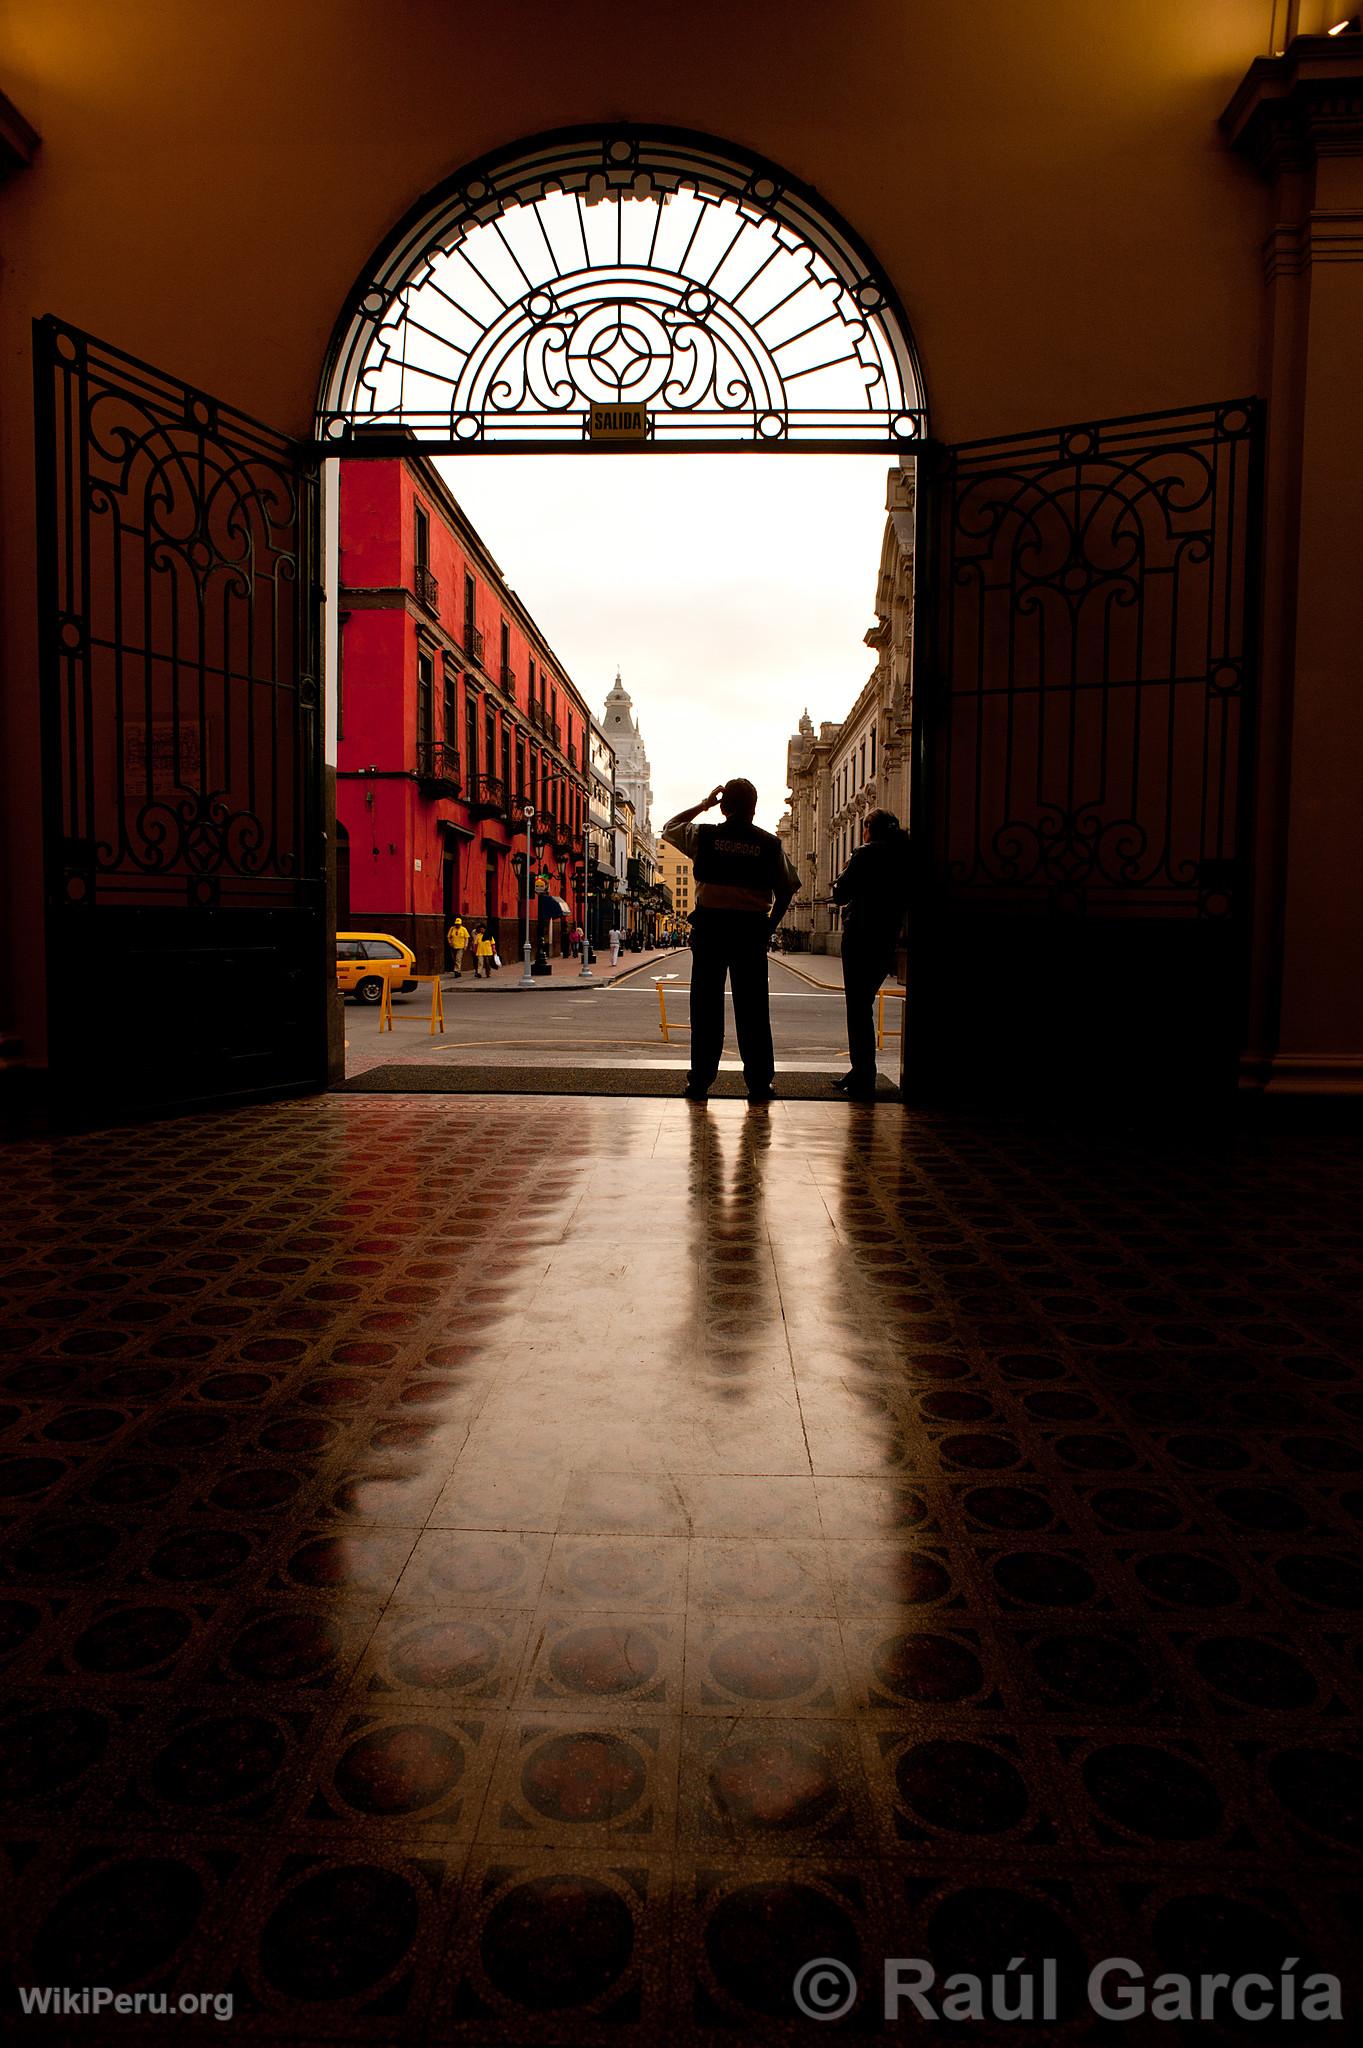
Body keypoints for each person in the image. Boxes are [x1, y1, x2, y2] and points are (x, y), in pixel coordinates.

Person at [663, 779, 799, 1105]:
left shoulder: (705, 837)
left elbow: (670, 827)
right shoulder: (769, 845)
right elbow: (788, 888)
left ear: (725, 807)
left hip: (711, 931)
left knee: (706, 1009)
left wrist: (704, 804)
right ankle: (759, 1084)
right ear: (754, 809)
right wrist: (769, 927)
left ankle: (700, 1082)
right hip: (750, 933)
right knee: (753, 1011)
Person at [831, 808, 911, 1100]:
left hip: (860, 935)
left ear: (868, 829)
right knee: (864, 1004)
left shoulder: (865, 854)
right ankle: (862, 1071)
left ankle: (864, 1073)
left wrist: (845, 873)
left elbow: (840, 893)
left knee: (858, 1007)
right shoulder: (905, 856)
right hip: (887, 937)